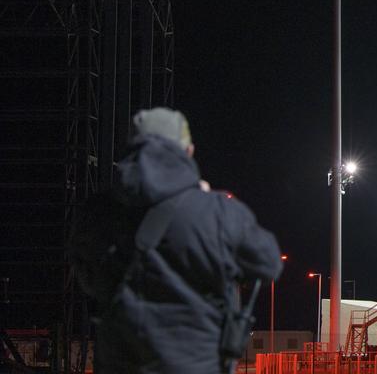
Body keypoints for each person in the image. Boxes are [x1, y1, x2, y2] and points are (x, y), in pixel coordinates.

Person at [73, 107, 282, 373]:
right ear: (188, 151)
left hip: (119, 361)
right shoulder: (216, 211)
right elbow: (269, 263)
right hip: (197, 362)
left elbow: (85, 276)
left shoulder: (97, 211)